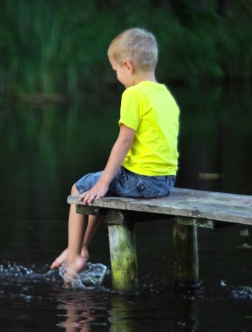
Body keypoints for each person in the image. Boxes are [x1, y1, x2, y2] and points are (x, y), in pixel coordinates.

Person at [50, 28, 180, 282]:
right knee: (96, 191)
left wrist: (103, 181)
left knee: (80, 187)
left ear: (127, 66)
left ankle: (75, 254)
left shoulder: (134, 94)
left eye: (116, 70)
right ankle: (80, 248)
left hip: (141, 181)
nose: (117, 76)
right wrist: (104, 184)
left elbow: (124, 141)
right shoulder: (165, 95)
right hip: (164, 182)